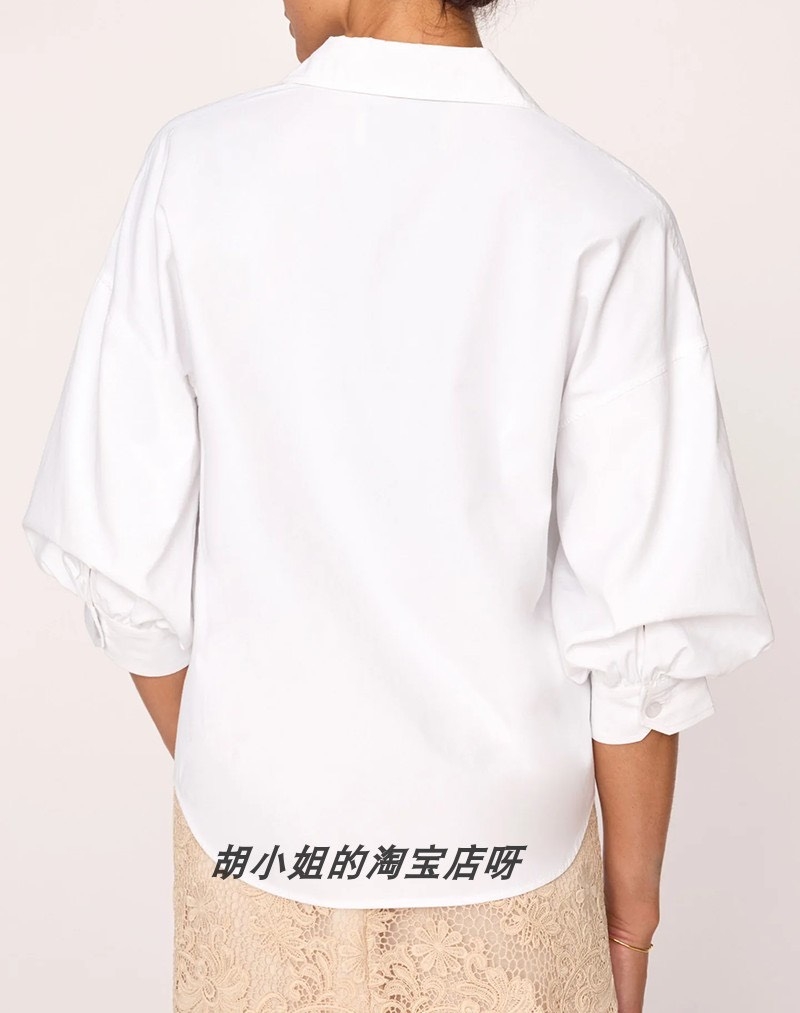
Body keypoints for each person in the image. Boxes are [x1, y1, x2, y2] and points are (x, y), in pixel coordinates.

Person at [21, 3, 774, 1012]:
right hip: (515, 869)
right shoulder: (604, 214)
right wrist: (629, 918)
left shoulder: (193, 174)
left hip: (250, 860)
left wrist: (262, 768)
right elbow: (642, 636)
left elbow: (125, 574)